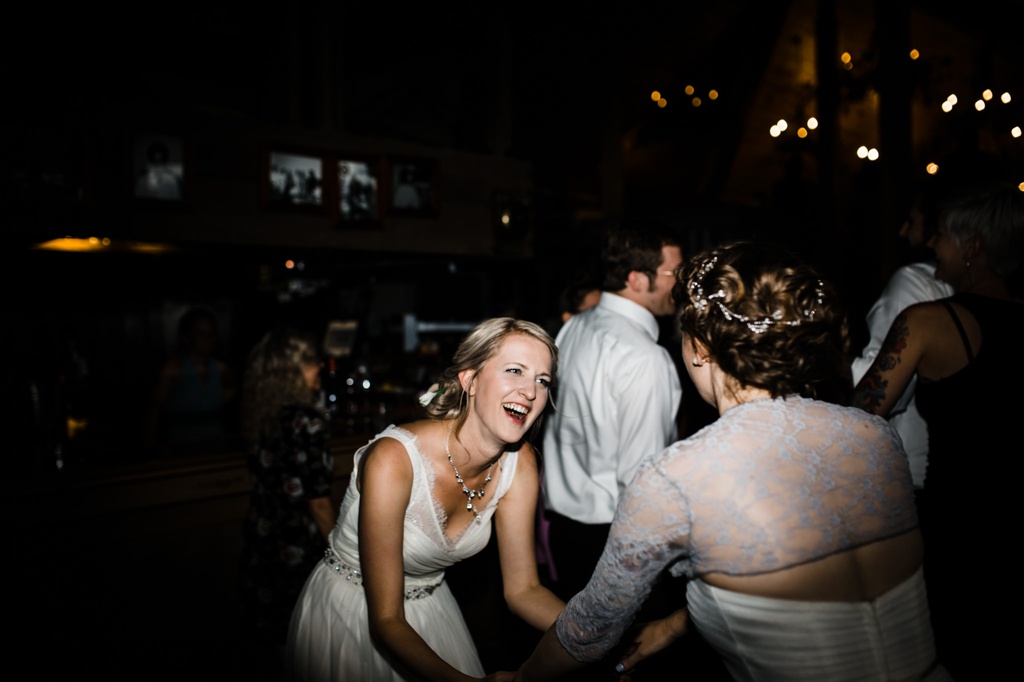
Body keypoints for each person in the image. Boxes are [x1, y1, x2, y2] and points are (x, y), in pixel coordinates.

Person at [517, 241, 947, 682]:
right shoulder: (877, 436)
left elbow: (589, 630)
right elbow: (811, 580)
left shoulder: (676, 477)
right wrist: (671, 625)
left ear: (699, 346)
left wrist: (520, 678)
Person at [287, 318, 565, 682]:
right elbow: (386, 620)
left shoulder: (521, 464)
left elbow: (524, 590)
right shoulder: (394, 460)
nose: (530, 391)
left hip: (432, 606)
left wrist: (597, 637)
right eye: (515, 371)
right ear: (471, 380)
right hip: (352, 612)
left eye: (542, 381)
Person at [852, 180, 1024, 678]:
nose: (932, 243)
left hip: (957, 528)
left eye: (943, 235)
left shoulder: (927, 321)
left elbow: (861, 413)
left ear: (973, 248)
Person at [541, 221, 683, 603]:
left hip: (563, 533)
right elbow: (641, 479)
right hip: (614, 540)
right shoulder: (645, 357)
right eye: (674, 273)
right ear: (637, 279)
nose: (680, 284)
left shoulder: (574, 328)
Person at [237, 327, 336, 662]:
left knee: (274, 639)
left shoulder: (261, 416)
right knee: (306, 640)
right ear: (290, 371)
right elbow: (318, 501)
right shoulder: (306, 422)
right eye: (310, 361)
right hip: (299, 543)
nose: (320, 366)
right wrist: (343, 552)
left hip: (263, 535)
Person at [850, 178, 954, 489]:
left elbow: (874, 396)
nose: (903, 232)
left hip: (913, 471)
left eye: (913, 220)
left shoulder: (914, 282)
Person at [146, 306, 237, 451]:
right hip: (181, 447)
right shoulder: (173, 369)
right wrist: (148, 447)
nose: (208, 338)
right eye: (201, 333)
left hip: (216, 446)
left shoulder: (221, 369)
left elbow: (234, 394)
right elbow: (155, 411)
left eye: (211, 333)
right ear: (186, 337)